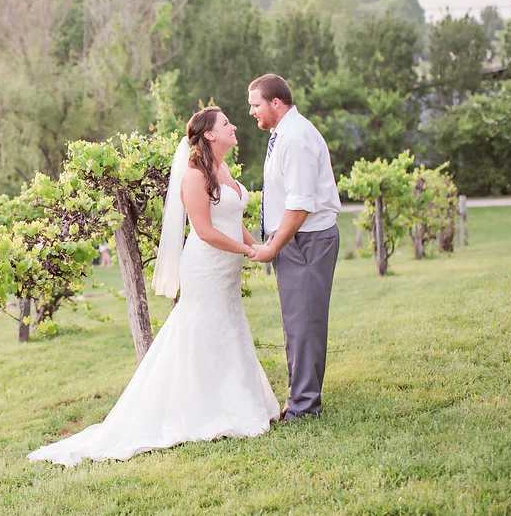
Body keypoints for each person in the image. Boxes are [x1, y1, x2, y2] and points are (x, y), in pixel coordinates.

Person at [27, 107, 279, 467]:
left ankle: (234, 400)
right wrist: (247, 250)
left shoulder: (223, 168)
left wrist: (252, 245)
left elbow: (233, 219)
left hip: (228, 268)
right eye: (226, 124)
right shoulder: (194, 174)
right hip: (206, 266)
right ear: (209, 134)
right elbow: (205, 231)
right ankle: (196, 409)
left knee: (228, 325)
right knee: (199, 329)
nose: (234, 126)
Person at [247, 74, 341, 423]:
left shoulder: (297, 138)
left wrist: (273, 248)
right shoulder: (282, 135)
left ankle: (304, 407)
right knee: (297, 324)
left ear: (276, 102)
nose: (252, 112)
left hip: (307, 242)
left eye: (255, 104)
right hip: (293, 241)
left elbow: (300, 206)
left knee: (305, 324)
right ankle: (301, 397)